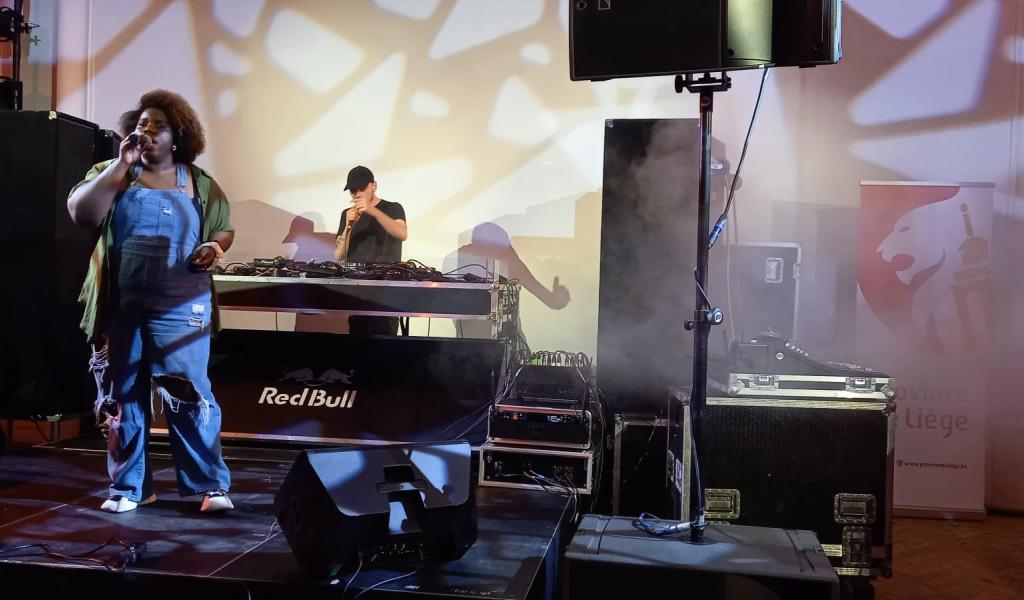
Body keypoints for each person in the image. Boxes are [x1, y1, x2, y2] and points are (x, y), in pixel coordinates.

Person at [67, 90, 234, 514]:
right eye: (143, 124)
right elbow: (82, 213)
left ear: (178, 137)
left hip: (183, 304)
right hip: (122, 304)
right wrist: (121, 163)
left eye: (159, 126)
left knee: (188, 393)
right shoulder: (112, 172)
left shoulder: (199, 182)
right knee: (122, 394)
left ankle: (209, 487)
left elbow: (223, 227)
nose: (148, 131)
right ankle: (129, 488)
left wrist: (214, 245)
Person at [333, 166, 407, 335]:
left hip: (385, 290)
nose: (357, 194)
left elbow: (402, 233)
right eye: (353, 190)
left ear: (374, 186)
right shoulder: (348, 214)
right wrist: (349, 226)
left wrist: (372, 211)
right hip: (358, 289)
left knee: (383, 340)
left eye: (361, 188)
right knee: (358, 340)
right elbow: (339, 254)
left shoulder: (393, 208)